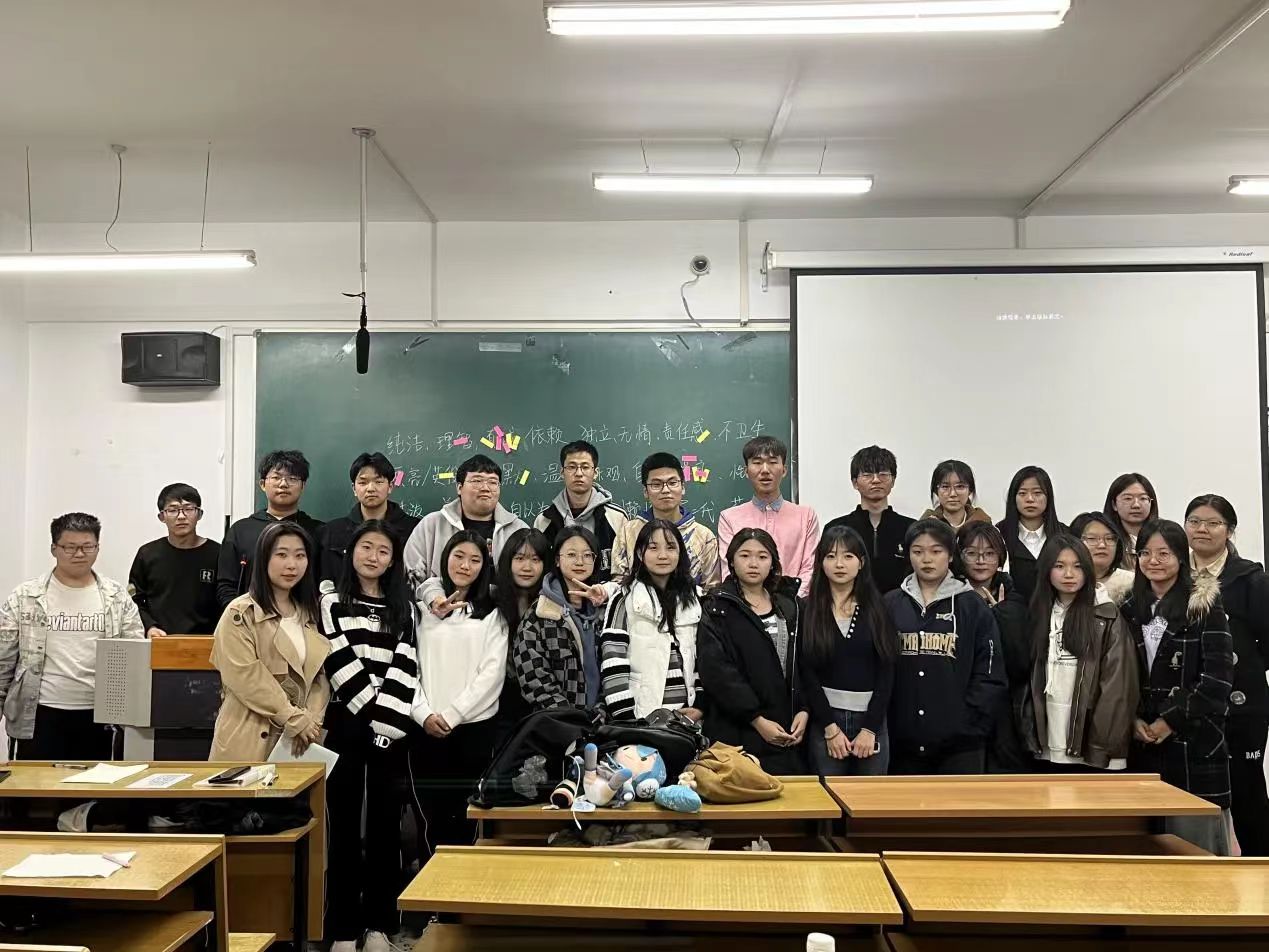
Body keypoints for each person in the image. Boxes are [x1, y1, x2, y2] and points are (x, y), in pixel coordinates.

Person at [318, 521, 419, 952]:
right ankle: (342, 928)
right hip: (345, 721)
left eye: (383, 550)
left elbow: (407, 662)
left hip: (391, 727)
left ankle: (379, 924)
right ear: (351, 552)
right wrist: (371, 713)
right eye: (366, 547)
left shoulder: (404, 608)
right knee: (341, 825)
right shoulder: (331, 602)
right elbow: (335, 655)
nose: (373, 556)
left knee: (385, 826)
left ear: (393, 560)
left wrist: (384, 722)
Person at [1124, 519, 1233, 855]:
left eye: (1164, 553)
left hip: (1194, 739)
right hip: (1142, 741)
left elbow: (1218, 679)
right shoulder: (1127, 607)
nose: (1153, 561)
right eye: (1145, 553)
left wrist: (1169, 720)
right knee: (1146, 845)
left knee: (1194, 846)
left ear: (1181, 557)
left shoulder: (1203, 606)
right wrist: (1132, 719)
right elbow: (1118, 675)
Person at [0, 513, 144, 759]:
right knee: (35, 783)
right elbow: (4, 657)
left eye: (88, 546)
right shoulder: (26, 597)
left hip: (101, 715)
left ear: (97, 547)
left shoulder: (116, 597)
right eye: (70, 547)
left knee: (96, 783)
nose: (79, 554)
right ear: (54, 548)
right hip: (39, 713)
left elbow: (135, 653)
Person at [412, 532, 509, 857]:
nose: (465, 565)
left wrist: (453, 715)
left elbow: (491, 674)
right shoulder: (422, 610)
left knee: (467, 819)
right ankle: (430, 886)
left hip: (473, 730)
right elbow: (409, 667)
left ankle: (463, 887)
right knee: (431, 819)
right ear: (445, 558)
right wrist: (423, 713)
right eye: (458, 556)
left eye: (475, 559)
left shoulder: (492, 612)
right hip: (425, 728)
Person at [886, 518, 1005, 775]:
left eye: (936, 551)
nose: (926, 559)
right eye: (918, 551)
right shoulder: (891, 604)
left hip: (961, 746)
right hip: (901, 744)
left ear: (951, 556)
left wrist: (967, 723)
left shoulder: (972, 605)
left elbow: (989, 673)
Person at [1185, 495, 1269, 856]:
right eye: (1194, 521)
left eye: (1213, 523)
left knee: (1247, 793)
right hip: (1191, 704)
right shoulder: (1174, 573)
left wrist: (1240, 666)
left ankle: (1261, 870)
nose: (1202, 529)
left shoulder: (1251, 578)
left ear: (1230, 530)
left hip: (1242, 704)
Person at [209, 521, 329, 761]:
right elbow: (246, 676)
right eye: (281, 555)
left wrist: (312, 721)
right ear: (263, 558)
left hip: (299, 741)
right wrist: (294, 718)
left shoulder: (309, 613)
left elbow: (318, 677)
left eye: (300, 555)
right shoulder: (241, 612)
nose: (292, 564)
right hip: (249, 737)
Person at [1022, 535, 1138, 773]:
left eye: (1077, 566)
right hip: (1048, 742)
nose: (1069, 574)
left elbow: (1117, 689)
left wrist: (1100, 747)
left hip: (1090, 746)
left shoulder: (1106, 616)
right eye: (1059, 566)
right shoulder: (1038, 614)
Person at [698, 528, 807, 774]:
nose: (753, 563)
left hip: (788, 727)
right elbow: (717, 671)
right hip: (736, 729)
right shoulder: (717, 607)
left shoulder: (791, 605)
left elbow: (804, 663)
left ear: (773, 562)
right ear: (732, 561)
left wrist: (804, 709)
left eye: (762, 556)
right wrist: (756, 720)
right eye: (745, 555)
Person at [798, 526, 895, 776]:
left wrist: (870, 729)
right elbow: (807, 672)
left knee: (871, 799)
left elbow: (887, 670)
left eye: (848, 556)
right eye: (831, 556)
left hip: (872, 722)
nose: (839, 564)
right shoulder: (808, 609)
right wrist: (830, 728)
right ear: (821, 563)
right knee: (827, 797)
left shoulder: (878, 608)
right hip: (826, 722)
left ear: (861, 562)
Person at [600, 520, 704, 722]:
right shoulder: (623, 599)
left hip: (689, 718)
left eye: (671, 547)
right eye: (653, 548)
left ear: (680, 553)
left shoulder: (697, 598)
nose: (663, 555)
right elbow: (613, 661)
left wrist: (700, 706)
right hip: (641, 716)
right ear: (640, 553)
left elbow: (705, 658)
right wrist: (627, 719)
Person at [512, 526, 610, 711]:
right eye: (571, 554)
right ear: (557, 560)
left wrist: (603, 709)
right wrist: (569, 717)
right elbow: (533, 677)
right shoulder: (539, 614)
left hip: (604, 720)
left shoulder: (606, 612)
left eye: (587, 555)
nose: (580, 562)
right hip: (558, 721)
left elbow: (615, 669)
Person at [958, 522, 1029, 773]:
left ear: (1000, 558)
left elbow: (1021, 659)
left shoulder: (1014, 597)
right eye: (972, 553)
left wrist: (999, 613)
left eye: (989, 553)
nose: (981, 561)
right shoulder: (950, 595)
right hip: (961, 698)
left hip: (1005, 701)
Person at [405, 454, 527, 594]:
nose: (485, 488)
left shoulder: (518, 529)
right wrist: (433, 599)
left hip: (500, 607)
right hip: (440, 605)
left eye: (493, 482)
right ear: (459, 487)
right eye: (477, 481)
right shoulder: (431, 525)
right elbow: (410, 578)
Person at [217, 450, 324, 608]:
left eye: (292, 478)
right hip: (251, 618)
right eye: (276, 477)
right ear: (262, 484)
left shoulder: (319, 531)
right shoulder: (240, 530)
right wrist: (245, 615)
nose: (283, 484)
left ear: (303, 486)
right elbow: (226, 585)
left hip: (304, 618)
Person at [718, 436, 820, 596]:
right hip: (744, 606)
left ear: (784, 470)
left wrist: (790, 602)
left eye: (772, 462)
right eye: (757, 462)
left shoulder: (806, 516)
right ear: (746, 471)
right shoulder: (729, 518)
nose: (765, 470)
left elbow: (810, 568)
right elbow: (728, 570)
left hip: (796, 604)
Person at [611, 452, 720, 589]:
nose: (665, 490)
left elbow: (711, 589)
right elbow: (619, 584)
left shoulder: (704, 537)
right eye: (656, 484)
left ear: (683, 487)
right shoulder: (628, 533)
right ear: (645, 491)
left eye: (672, 483)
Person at [129, 483, 221, 637]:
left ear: (199, 514)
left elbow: (226, 599)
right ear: (161, 517)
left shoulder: (218, 553)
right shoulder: (147, 554)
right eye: (173, 510)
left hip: (208, 641)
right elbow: (134, 599)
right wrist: (150, 626)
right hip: (160, 639)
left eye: (188, 509)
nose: (181, 516)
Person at [318, 452, 420, 586]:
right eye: (363, 482)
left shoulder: (415, 529)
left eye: (378, 482)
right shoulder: (331, 532)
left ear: (390, 486)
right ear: (354, 489)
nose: (370, 488)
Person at [823, 445, 915, 594]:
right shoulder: (836, 528)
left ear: (893, 480)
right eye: (867, 475)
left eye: (883, 474)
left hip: (899, 604)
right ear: (855, 482)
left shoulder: (911, 528)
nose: (876, 480)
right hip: (851, 604)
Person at [534, 440, 628, 581]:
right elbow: (538, 569)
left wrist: (605, 591)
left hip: (604, 594)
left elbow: (625, 572)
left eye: (585, 467)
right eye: (572, 467)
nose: (578, 473)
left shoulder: (616, 518)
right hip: (557, 594)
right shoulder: (544, 520)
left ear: (595, 472)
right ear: (562, 472)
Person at [492, 528, 552, 736]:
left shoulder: (553, 604)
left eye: (535, 560)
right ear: (508, 561)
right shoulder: (491, 598)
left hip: (540, 700)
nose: (527, 567)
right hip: (496, 699)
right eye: (519, 558)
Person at [997, 465, 1063, 603]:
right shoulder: (999, 534)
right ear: (1013, 497)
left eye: (1037, 493)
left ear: (1048, 497)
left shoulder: (1064, 535)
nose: (1030, 499)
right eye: (1022, 493)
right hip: (1011, 610)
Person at [1070, 512, 1134, 606]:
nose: (1102, 545)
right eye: (1092, 538)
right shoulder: (1063, 582)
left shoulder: (1131, 583)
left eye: (1109, 538)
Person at [1104, 473, 1159, 569]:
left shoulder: (1165, 536)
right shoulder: (1105, 541)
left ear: (1151, 503)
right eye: (1128, 498)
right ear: (1114, 505)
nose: (1136, 505)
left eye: (1143, 498)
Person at [921, 460, 991, 530]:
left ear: (970, 490)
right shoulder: (926, 525)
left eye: (960, 486)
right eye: (945, 487)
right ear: (936, 491)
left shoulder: (983, 522)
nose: (953, 494)